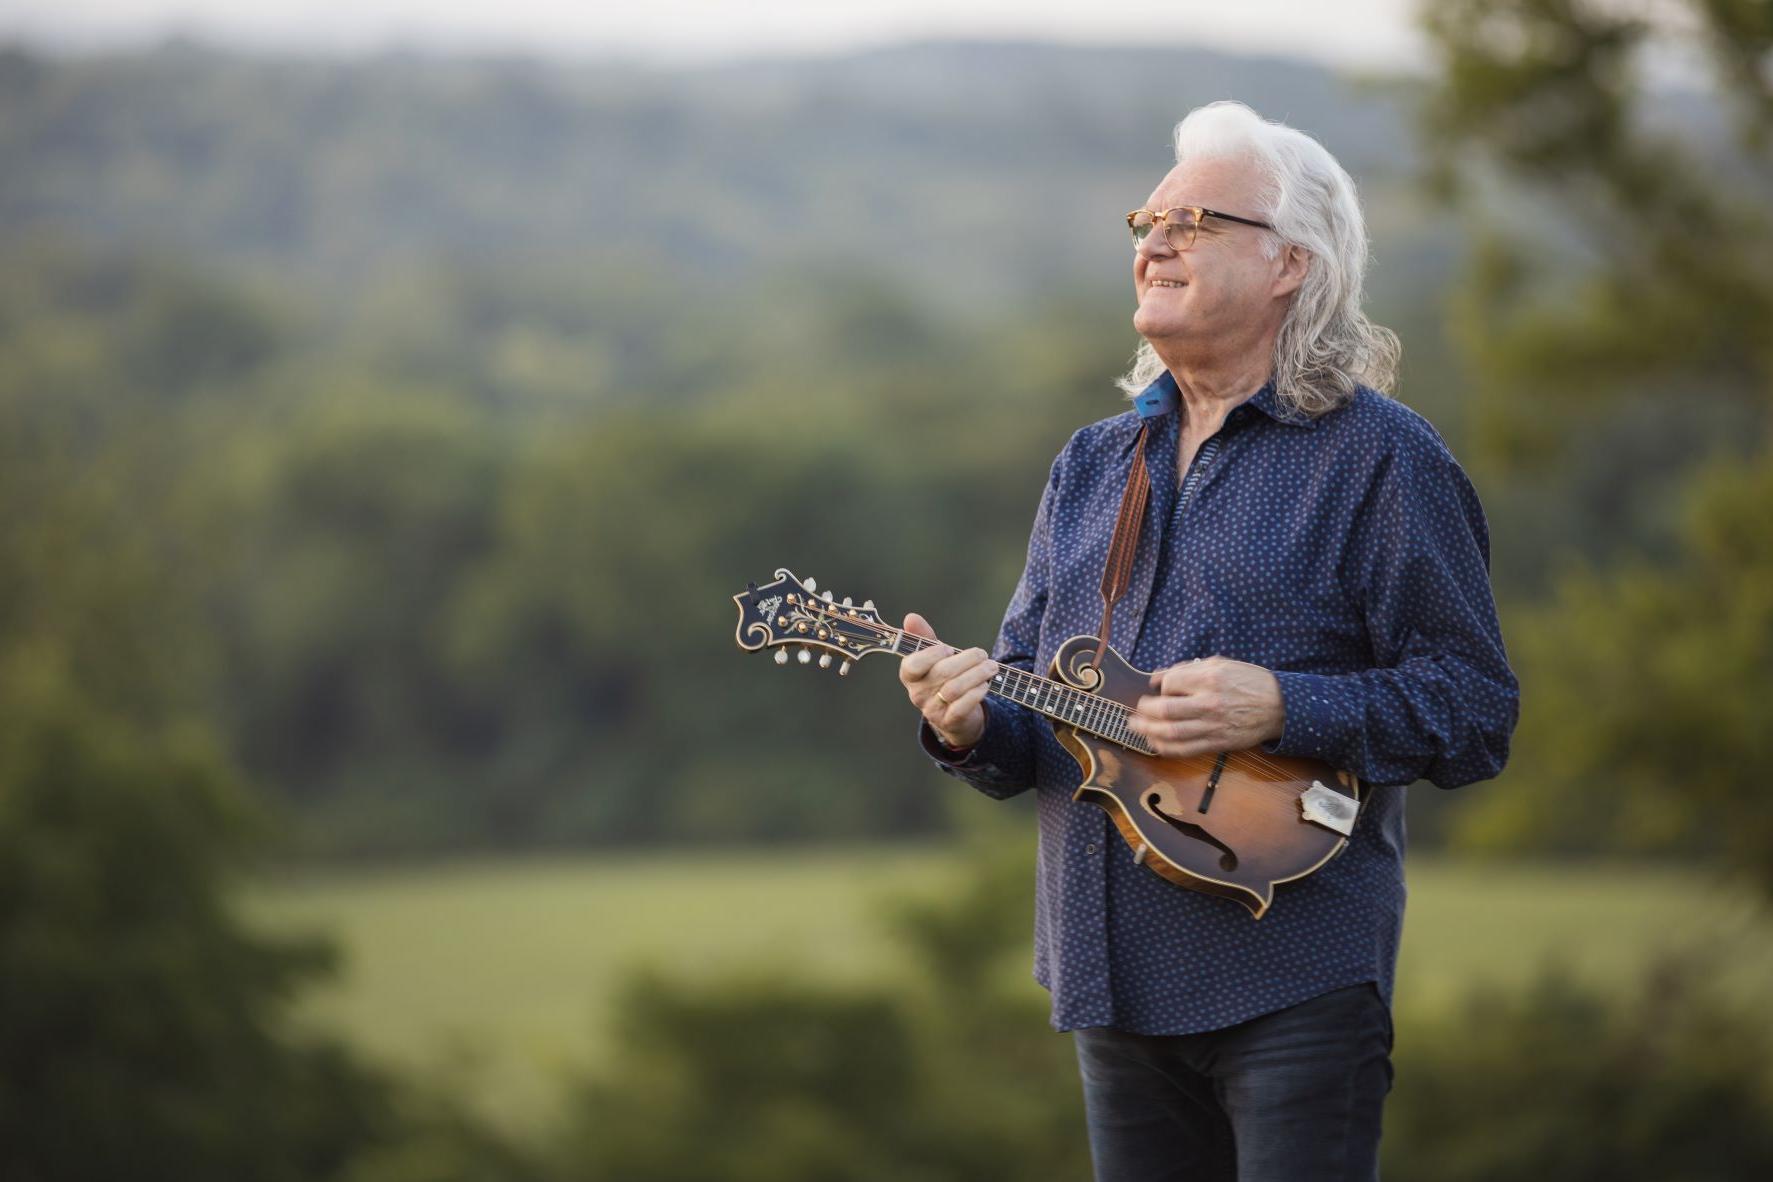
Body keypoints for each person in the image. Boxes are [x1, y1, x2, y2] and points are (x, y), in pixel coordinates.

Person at [896, 101, 1519, 1182]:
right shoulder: (1091, 465)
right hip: (1108, 979)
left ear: (1291, 263)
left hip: (1295, 978)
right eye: (1149, 218)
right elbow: (1030, 731)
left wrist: (1285, 705)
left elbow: (1474, 710)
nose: (1154, 240)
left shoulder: (1384, 459)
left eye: (1195, 220)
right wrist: (963, 724)